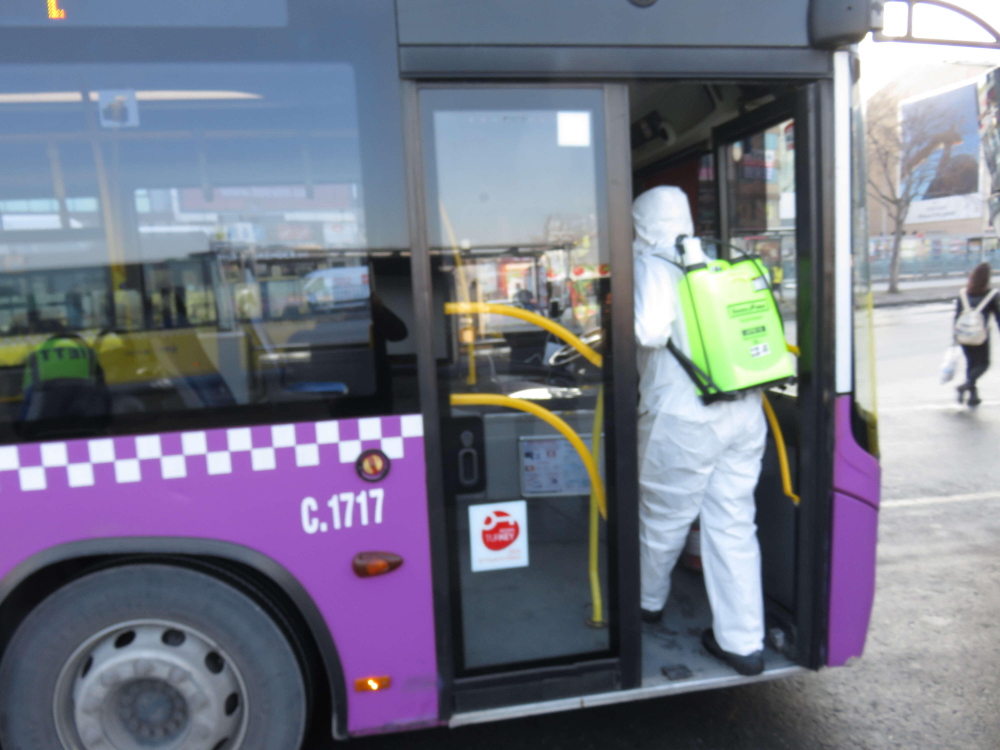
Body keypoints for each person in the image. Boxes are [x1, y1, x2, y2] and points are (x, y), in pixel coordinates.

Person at [633, 186, 768, 676]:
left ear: (644, 223)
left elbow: (648, 331)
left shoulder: (653, 265)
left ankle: (646, 603)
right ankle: (743, 642)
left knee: (664, 515)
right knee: (733, 524)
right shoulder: (714, 264)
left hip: (685, 417)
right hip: (744, 411)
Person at [955, 262, 1000, 407]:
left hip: (963, 335)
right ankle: (966, 386)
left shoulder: (963, 293)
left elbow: (957, 317)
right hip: (981, 337)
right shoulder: (993, 295)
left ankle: (973, 397)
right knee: (984, 364)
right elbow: (998, 317)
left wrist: (955, 337)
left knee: (971, 364)